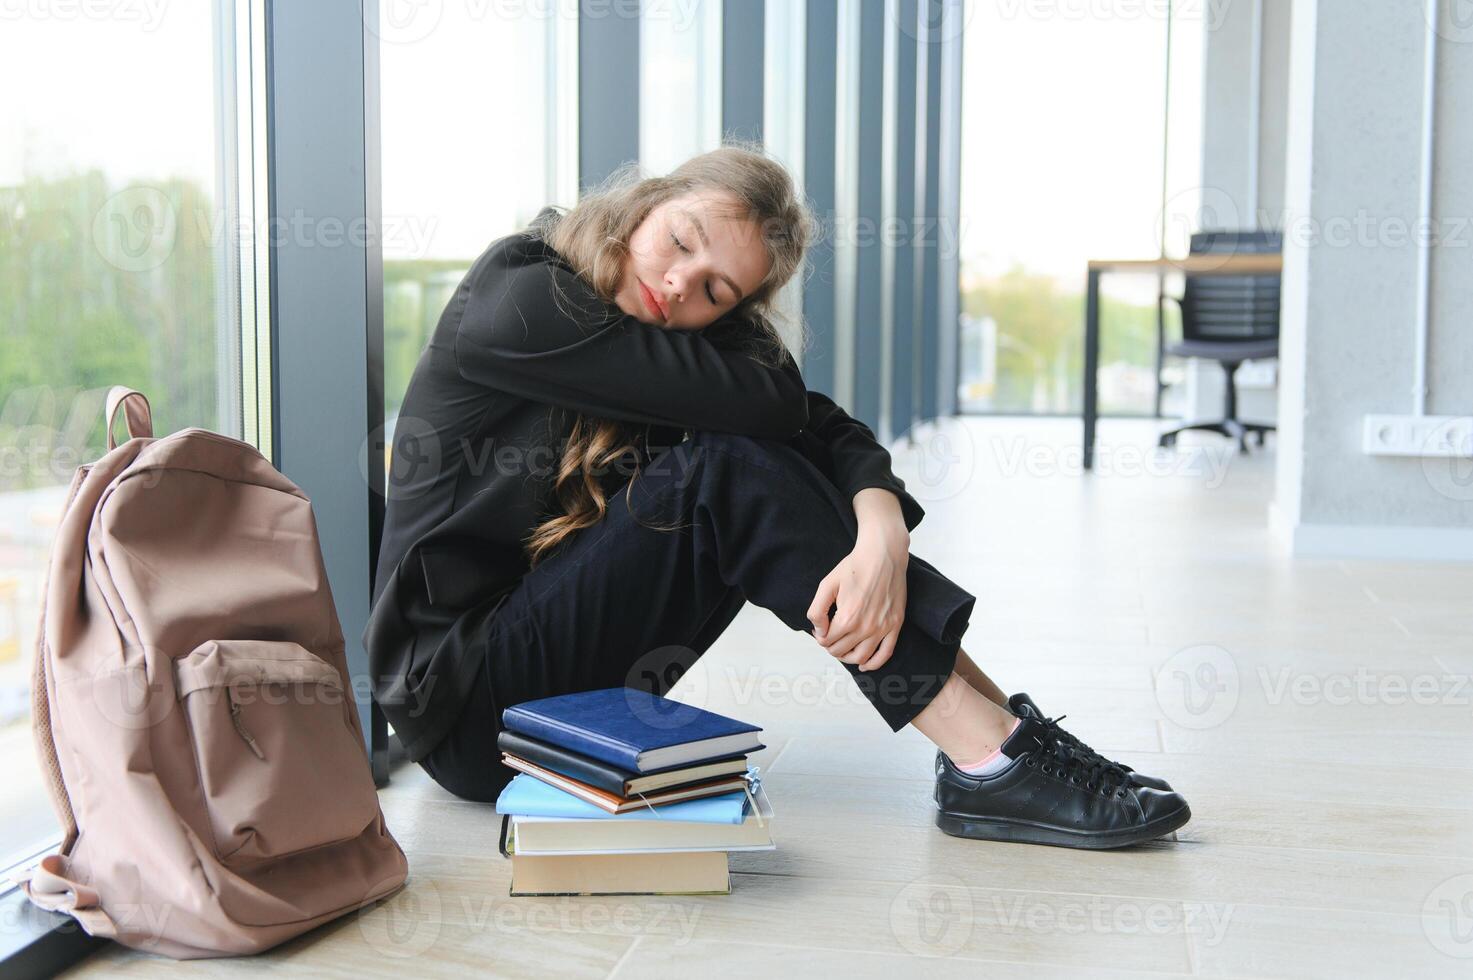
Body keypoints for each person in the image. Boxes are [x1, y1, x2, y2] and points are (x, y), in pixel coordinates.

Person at [363, 142, 1190, 849]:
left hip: (558, 690)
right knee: (725, 470)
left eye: (719, 292)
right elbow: (776, 407)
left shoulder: (665, 343)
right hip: (469, 712)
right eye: (680, 240)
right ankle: (989, 755)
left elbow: (815, 426)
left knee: (743, 460)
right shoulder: (517, 294)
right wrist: (849, 491)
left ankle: (998, 734)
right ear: (644, 204)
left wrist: (880, 530)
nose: (682, 283)